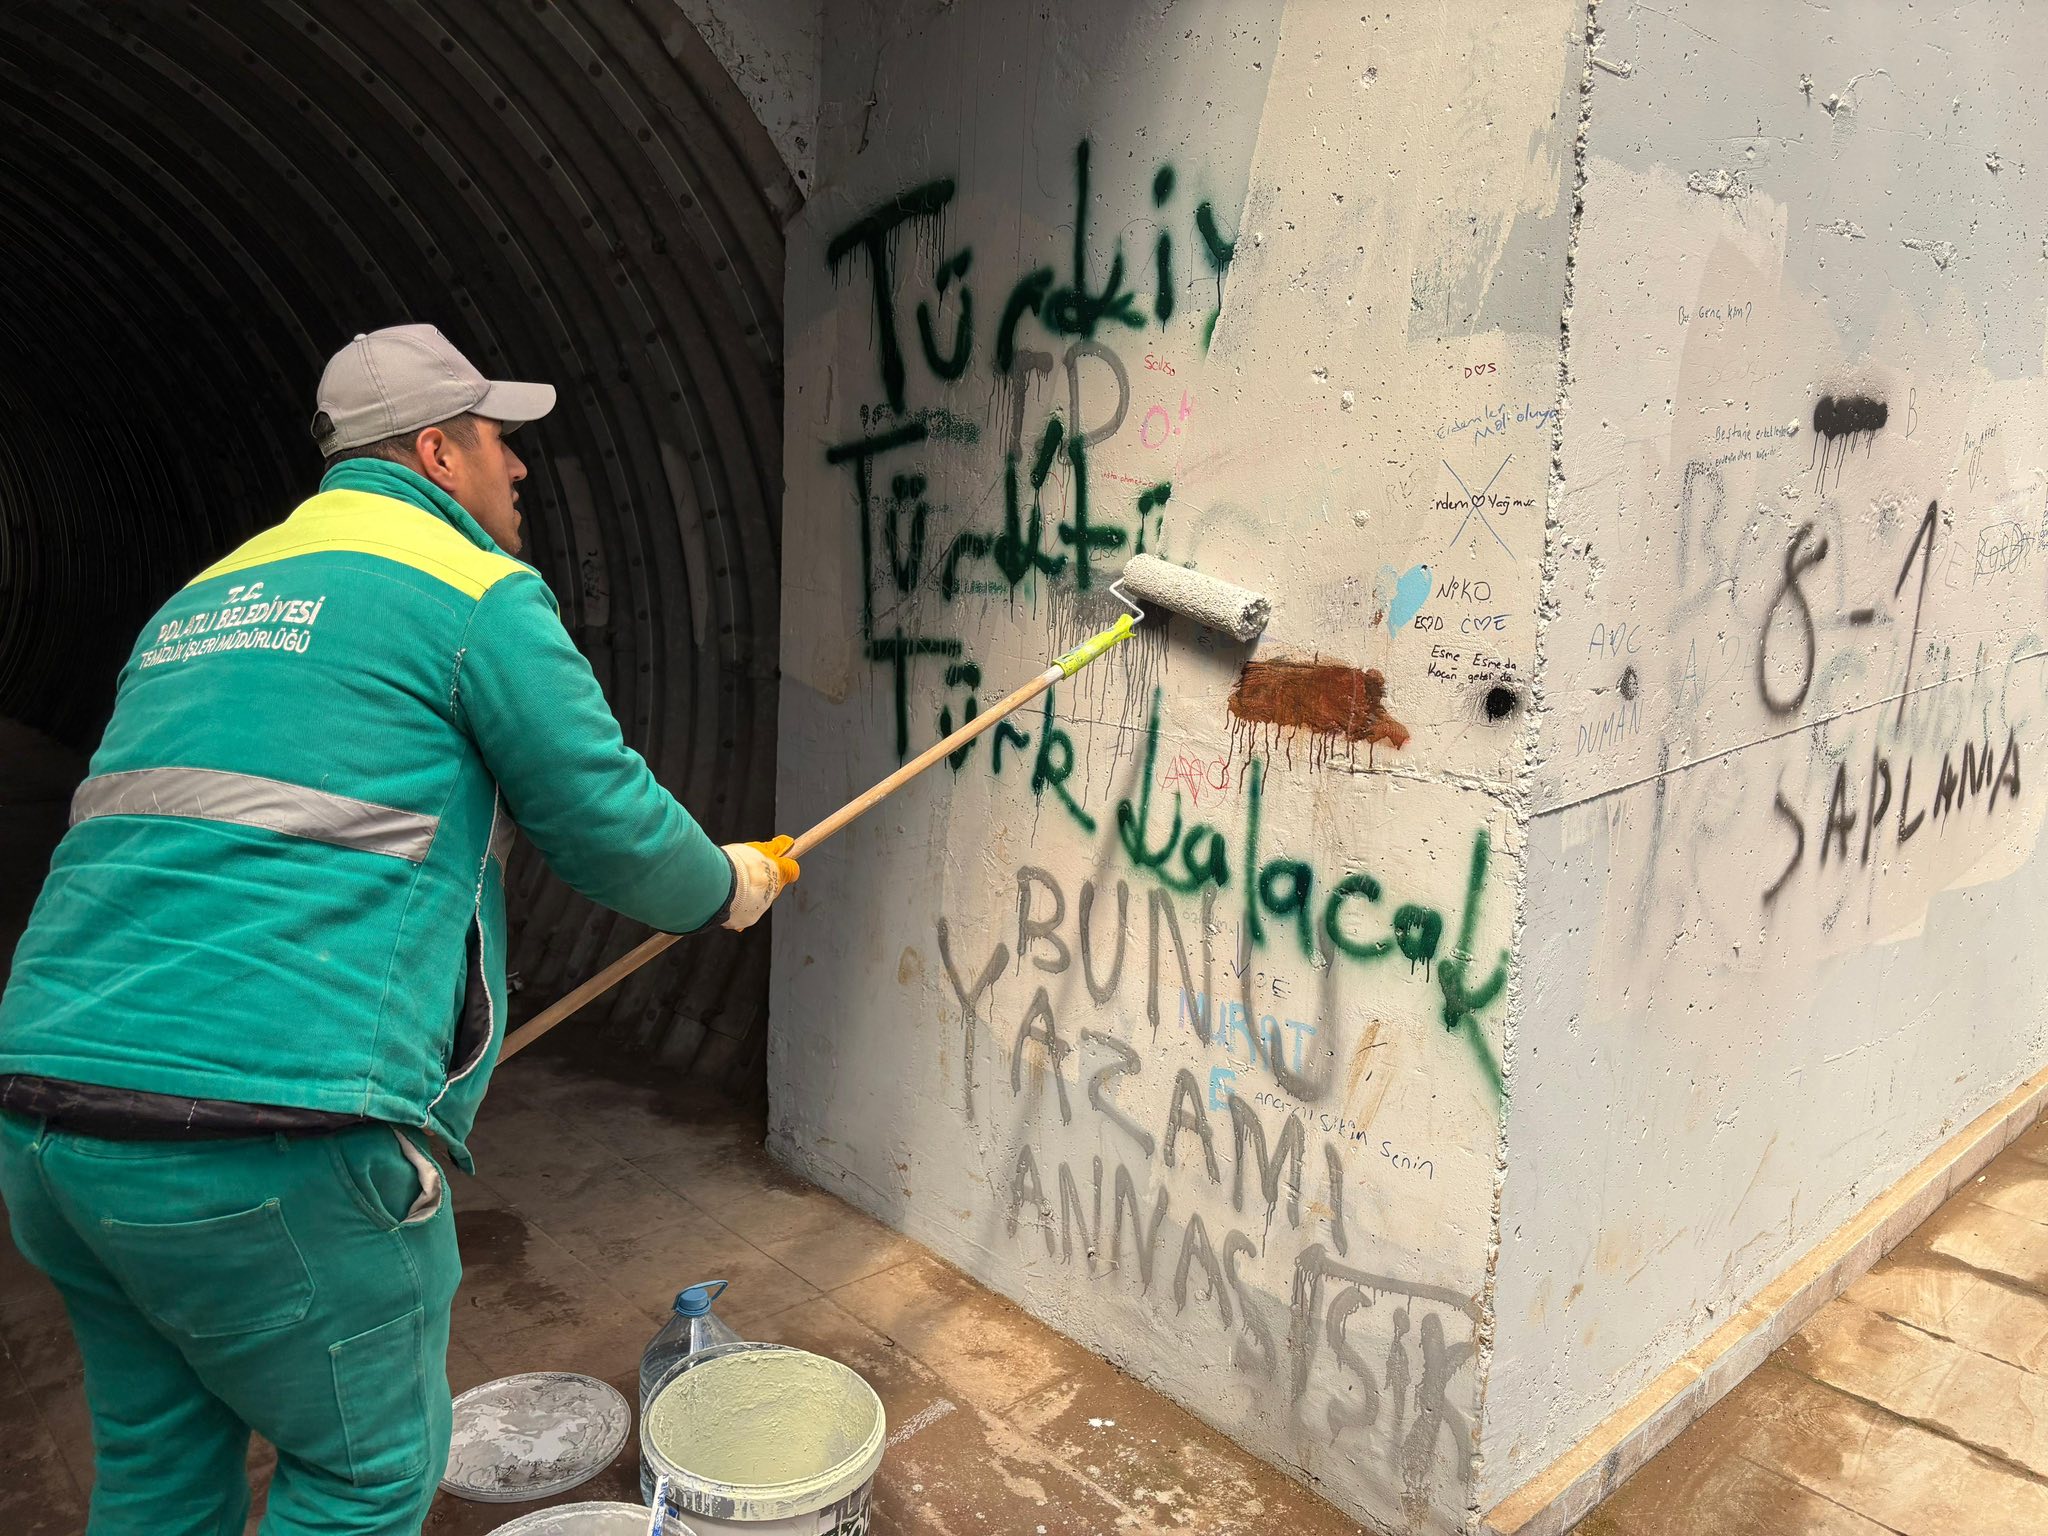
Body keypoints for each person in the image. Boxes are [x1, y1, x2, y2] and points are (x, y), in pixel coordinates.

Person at [0, 323, 797, 1534]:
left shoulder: (202, 599)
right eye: (497, 440)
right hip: (267, 1131)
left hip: (49, 1120)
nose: (518, 467)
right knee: (362, 1474)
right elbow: (605, 821)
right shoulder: (470, 588)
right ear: (435, 452)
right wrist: (724, 886)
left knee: (160, 1467)